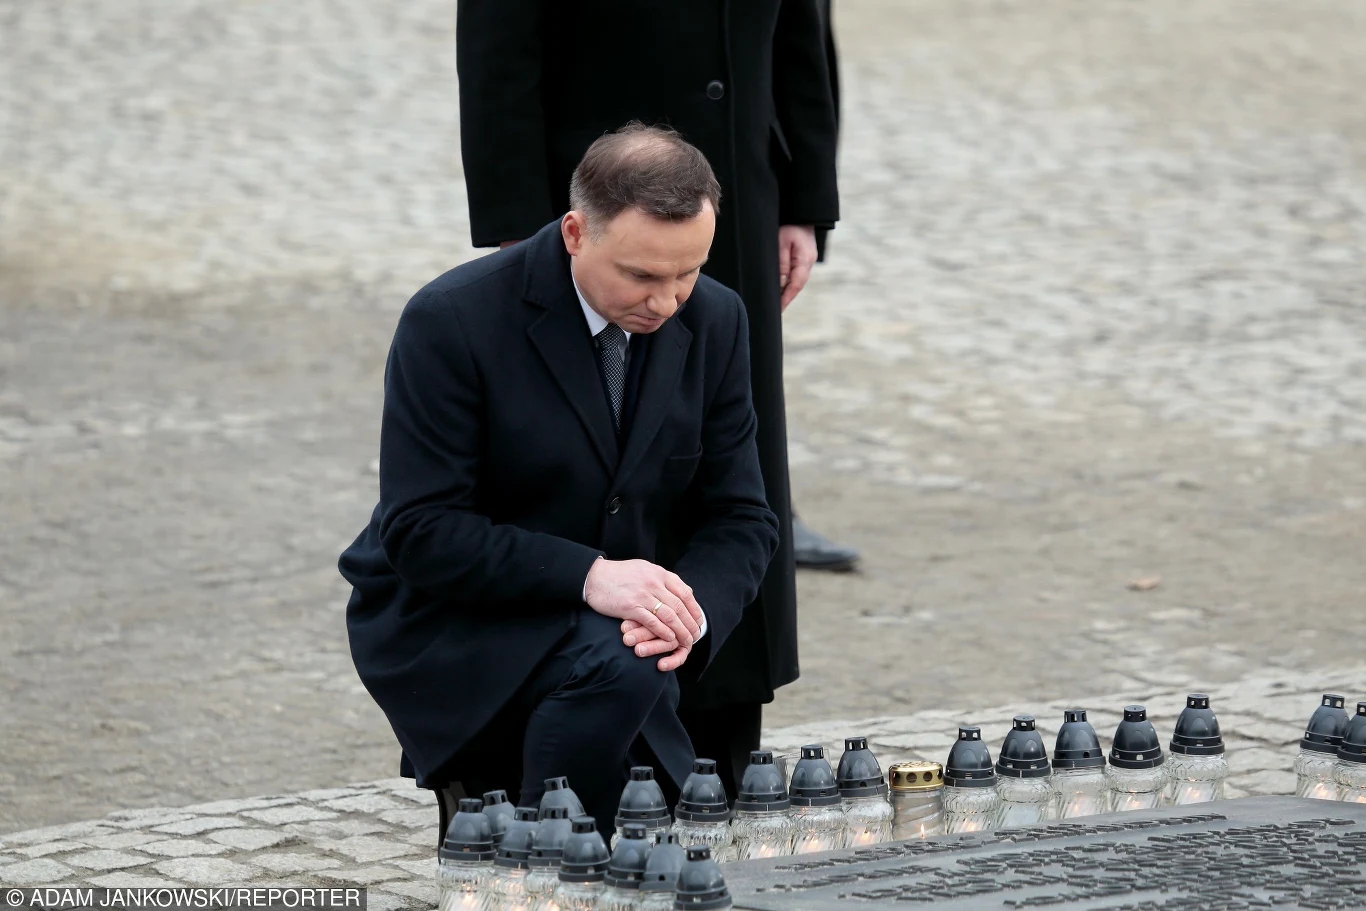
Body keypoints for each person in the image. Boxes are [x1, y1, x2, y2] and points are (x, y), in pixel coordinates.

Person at [455, 0, 854, 799]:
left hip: (737, 190)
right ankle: (578, 736)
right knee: (593, 457)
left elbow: (802, 23)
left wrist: (803, 196)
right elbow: (501, 40)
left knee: (731, 472)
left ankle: (719, 735)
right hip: (599, 205)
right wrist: (520, 228)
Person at [339, 126, 779, 842]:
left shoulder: (718, 316)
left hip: (621, 622)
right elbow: (421, 530)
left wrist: (684, 612)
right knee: (628, 687)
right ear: (575, 233)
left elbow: (742, 516)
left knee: (632, 663)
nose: (667, 301)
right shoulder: (452, 318)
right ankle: (558, 857)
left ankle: (539, 852)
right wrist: (591, 576)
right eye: (641, 275)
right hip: (460, 609)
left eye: (688, 272)